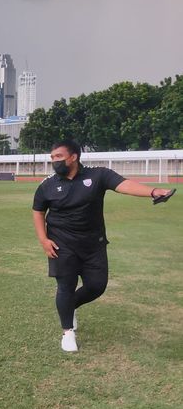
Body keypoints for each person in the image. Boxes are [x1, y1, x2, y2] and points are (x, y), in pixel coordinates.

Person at [32, 139, 174, 352]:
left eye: (59, 157)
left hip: (93, 244)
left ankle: (70, 308)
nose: (54, 161)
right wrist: (43, 240)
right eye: (52, 158)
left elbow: (124, 185)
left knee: (97, 286)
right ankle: (67, 332)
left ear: (73, 157)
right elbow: (38, 211)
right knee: (65, 287)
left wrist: (152, 191)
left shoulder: (98, 175)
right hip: (61, 244)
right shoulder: (47, 185)